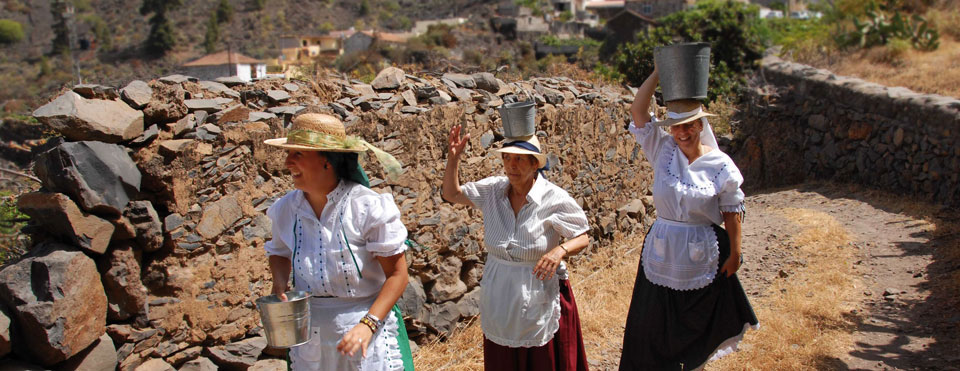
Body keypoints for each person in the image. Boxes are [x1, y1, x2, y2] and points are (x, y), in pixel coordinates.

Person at [618, 67, 759, 370]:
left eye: (689, 126)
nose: (682, 133)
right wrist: (658, 72)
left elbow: (732, 211)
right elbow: (638, 111)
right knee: (651, 323)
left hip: (702, 249)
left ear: (700, 125)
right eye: (676, 127)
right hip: (662, 249)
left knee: (695, 323)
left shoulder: (720, 164)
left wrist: (736, 254)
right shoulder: (663, 150)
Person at [262, 113, 415, 371]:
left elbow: (398, 275)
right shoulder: (286, 209)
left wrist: (368, 325)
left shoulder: (366, 207)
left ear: (327, 161)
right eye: (288, 153)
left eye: (297, 154)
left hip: (365, 332)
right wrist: (279, 283)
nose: (287, 162)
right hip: (312, 337)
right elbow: (279, 252)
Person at [442, 124, 591, 371]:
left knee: (542, 362)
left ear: (535, 164)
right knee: (503, 360)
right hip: (500, 293)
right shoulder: (493, 190)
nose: (512, 165)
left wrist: (559, 251)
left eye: (520, 159)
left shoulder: (553, 198)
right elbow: (452, 194)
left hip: (538, 291)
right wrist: (453, 159)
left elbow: (582, 236)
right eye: (507, 158)